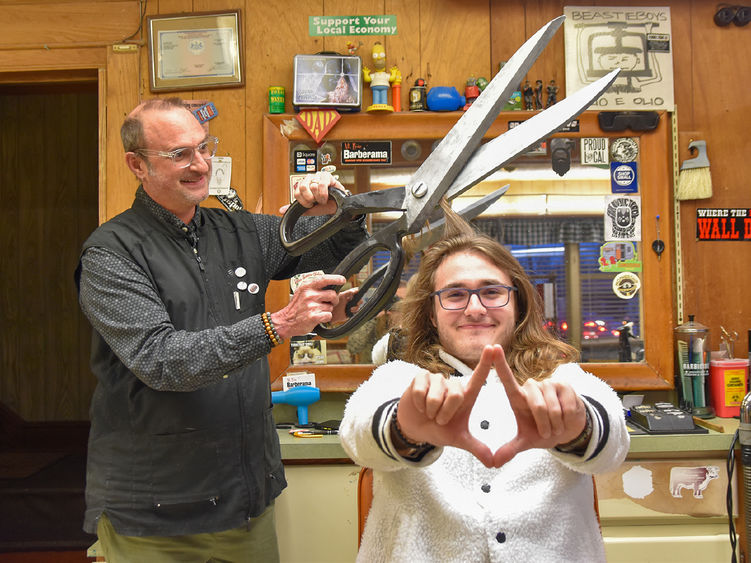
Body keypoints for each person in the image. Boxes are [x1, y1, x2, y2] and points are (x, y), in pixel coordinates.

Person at [75, 97, 367, 562]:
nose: (200, 164)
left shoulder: (243, 232)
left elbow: (328, 254)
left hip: (244, 500)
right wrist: (280, 324)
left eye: (204, 147)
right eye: (179, 154)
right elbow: (163, 361)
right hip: (152, 512)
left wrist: (342, 212)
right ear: (137, 165)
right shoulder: (111, 254)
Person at [339, 205, 629, 563]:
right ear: (431, 312)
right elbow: (357, 435)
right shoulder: (399, 378)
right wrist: (403, 428)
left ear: (518, 304)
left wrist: (578, 428)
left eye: (491, 292)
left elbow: (614, 440)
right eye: (456, 295)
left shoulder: (560, 378)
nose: (475, 308)